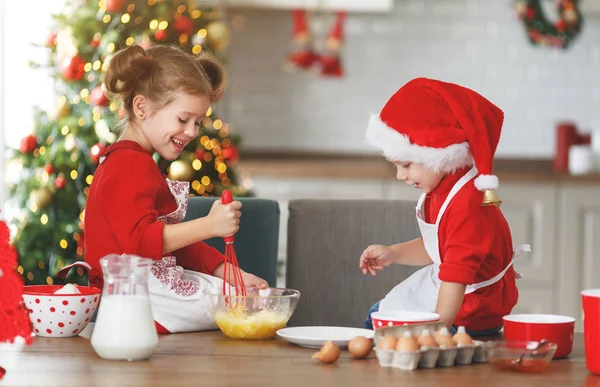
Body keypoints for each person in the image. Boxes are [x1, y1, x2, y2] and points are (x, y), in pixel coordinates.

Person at [81, 44, 268, 334]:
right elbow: (141, 242)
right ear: (141, 107)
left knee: (233, 293)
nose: (193, 131)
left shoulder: (135, 161)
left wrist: (229, 272)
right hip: (131, 296)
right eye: (183, 119)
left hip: (147, 286)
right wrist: (209, 225)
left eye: (198, 122)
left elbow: (173, 243)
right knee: (236, 304)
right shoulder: (129, 165)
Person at [360, 77, 530, 336]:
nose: (400, 175)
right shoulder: (439, 188)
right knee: (377, 315)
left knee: (382, 325)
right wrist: (393, 253)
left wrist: (437, 332)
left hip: (472, 309)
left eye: (406, 165)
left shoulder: (466, 204)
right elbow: (441, 250)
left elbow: (457, 274)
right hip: (452, 289)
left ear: (435, 153)